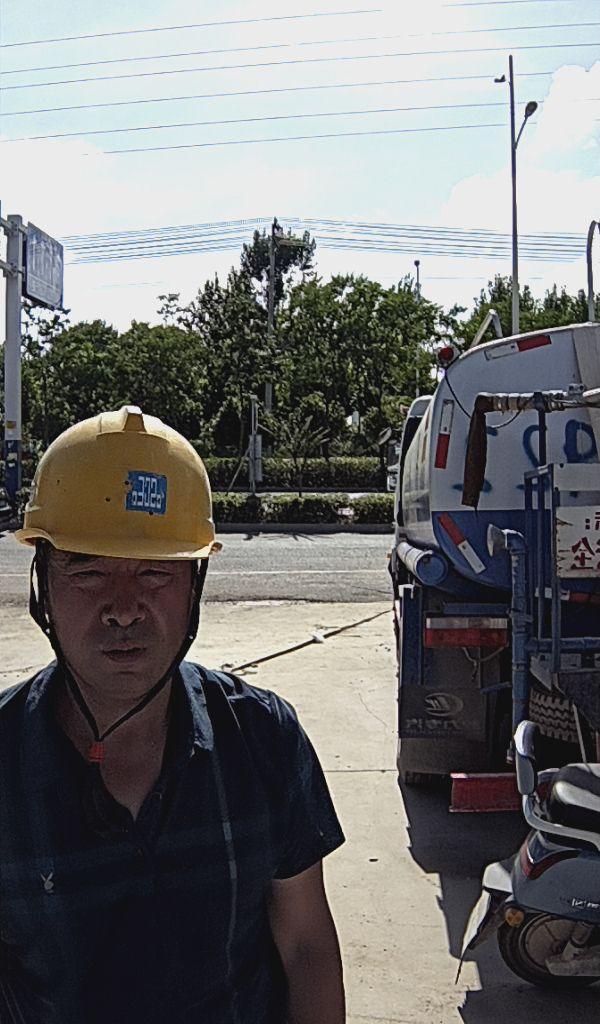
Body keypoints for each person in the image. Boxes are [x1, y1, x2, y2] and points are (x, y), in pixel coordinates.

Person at [0, 405, 345, 1024]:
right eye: (88, 569)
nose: (123, 608)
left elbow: (305, 946)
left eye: (156, 572)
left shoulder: (263, 738)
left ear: (195, 587)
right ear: (42, 584)